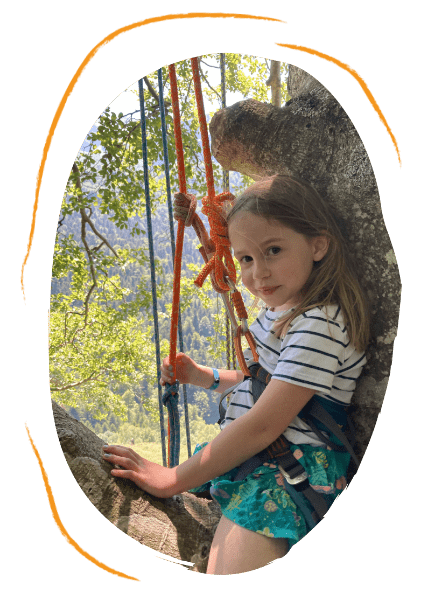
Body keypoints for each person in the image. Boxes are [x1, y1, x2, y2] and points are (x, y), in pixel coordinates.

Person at [102, 174, 370, 575]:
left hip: (285, 470)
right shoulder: (284, 310)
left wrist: (171, 478)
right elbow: (264, 381)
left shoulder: (320, 324)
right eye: (245, 258)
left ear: (318, 244)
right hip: (263, 458)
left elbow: (265, 424)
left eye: (273, 250)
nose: (257, 273)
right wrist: (204, 377)